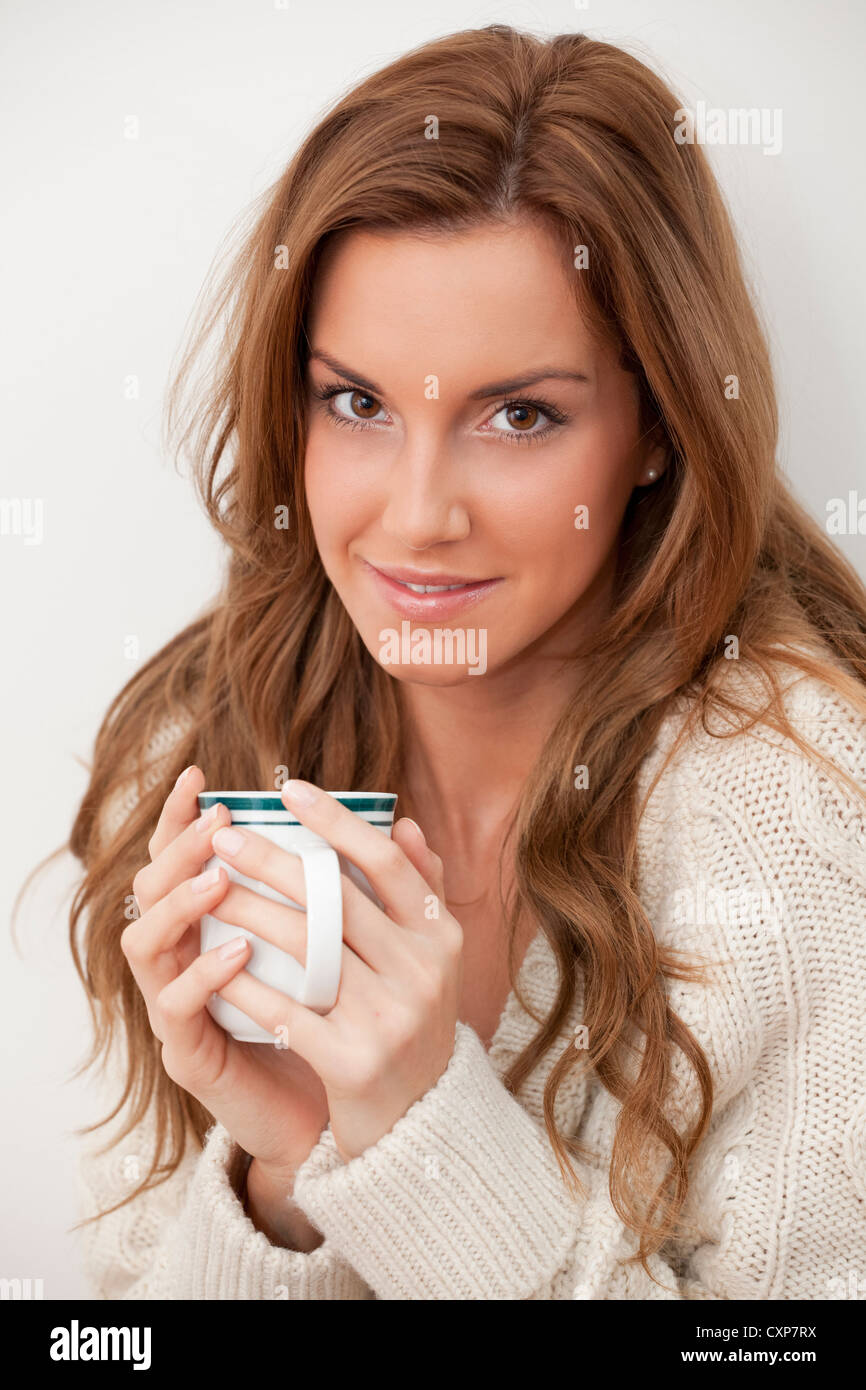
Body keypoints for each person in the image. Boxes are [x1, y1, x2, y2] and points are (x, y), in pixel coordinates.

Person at [69, 25, 866, 1300]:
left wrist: (413, 1142)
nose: (416, 514)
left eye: (519, 415)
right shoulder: (201, 756)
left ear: (654, 427)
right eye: (358, 403)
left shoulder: (803, 826)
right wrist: (281, 1180)